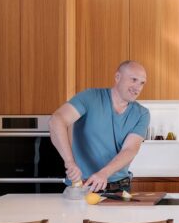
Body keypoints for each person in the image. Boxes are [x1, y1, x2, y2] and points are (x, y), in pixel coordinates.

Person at [49, 60, 149, 193]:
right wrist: (70, 162)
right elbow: (56, 120)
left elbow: (130, 150)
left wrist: (104, 173)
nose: (137, 88)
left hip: (119, 188)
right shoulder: (90, 97)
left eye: (142, 83)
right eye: (133, 80)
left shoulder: (142, 113)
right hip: (81, 187)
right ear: (117, 77)